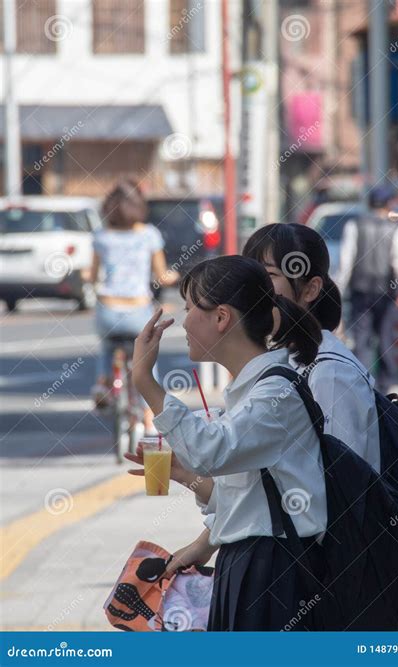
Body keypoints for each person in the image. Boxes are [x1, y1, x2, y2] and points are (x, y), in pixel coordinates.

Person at [130, 255, 328, 631]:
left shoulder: (275, 394)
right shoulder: (252, 391)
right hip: (253, 563)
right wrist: (183, 474)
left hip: (274, 569)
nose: (183, 320)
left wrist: (145, 381)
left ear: (221, 318)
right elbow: (245, 497)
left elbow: (210, 452)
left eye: (189, 308)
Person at [243, 222, 381, 472]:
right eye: (250, 275)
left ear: (311, 289)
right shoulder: (283, 359)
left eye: (268, 276)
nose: (252, 289)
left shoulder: (330, 374)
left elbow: (345, 486)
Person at [89, 179, 179, 434]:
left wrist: (85, 276)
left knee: (107, 345)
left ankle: (103, 382)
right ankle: (151, 417)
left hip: (108, 308)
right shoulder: (149, 234)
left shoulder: (101, 236)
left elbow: (93, 275)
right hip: (138, 310)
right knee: (146, 358)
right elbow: (161, 276)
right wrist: (175, 276)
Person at [336, 184, 398, 394]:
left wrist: (339, 288)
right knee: (385, 338)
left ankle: (362, 383)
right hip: (386, 293)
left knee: (361, 340)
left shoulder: (355, 225)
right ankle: (384, 386)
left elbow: (346, 262)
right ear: (388, 203)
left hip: (360, 291)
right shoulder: (396, 228)